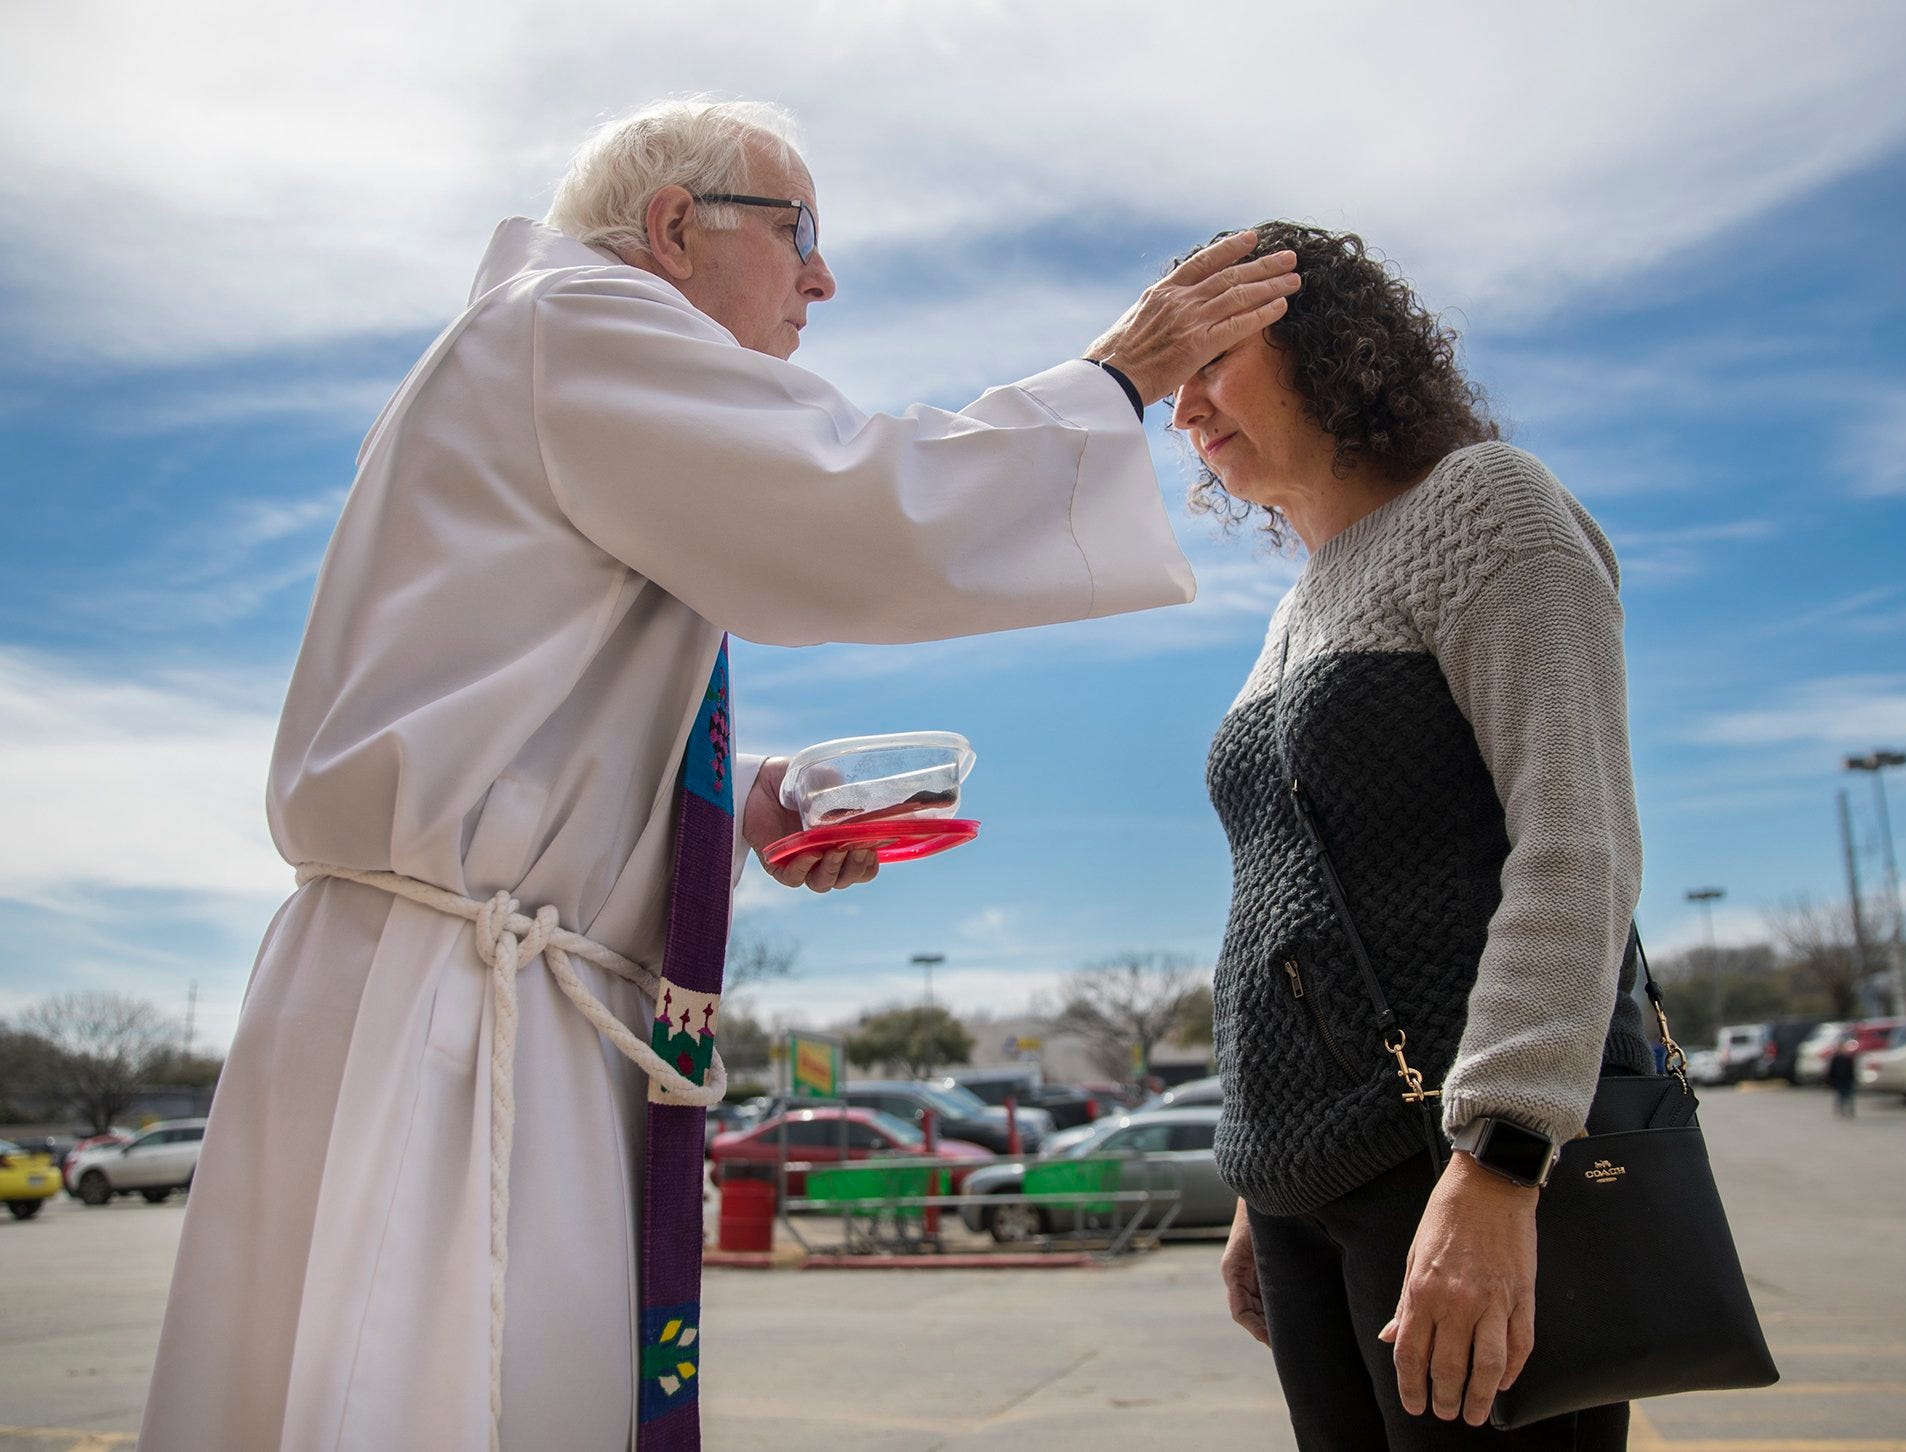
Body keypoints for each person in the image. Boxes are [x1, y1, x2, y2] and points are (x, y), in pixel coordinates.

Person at [138, 99, 1299, 1452]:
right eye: (799, 232)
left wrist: (748, 807)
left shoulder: (545, 354)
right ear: (674, 228)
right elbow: (849, 504)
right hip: (451, 1016)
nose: (824, 277)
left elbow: (514, 709)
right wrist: (1114, 379)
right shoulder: (578, 322)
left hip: (491, 982)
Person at [1180, 224, 1651, 1448]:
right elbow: (1281, 898)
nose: (1179, 407)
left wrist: (1500, 1164)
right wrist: (1254, 1173)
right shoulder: (1298, 604)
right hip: (1298, 1187)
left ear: (1329, 350)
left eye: (1210, 359)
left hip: (1451, 1170)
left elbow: (1576, 842)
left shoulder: (1489, 508)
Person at [1827, 1039, 1859, 1118]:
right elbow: (1832, 1070)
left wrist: (1854, 1078)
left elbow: (1852, 1070)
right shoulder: (1836, 1058)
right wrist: (1831, 1080)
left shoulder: (1848, 1058)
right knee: (1840, 1096)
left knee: (1850, 1096)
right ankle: (1841, 1109)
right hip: (1839, 1080)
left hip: (1848, 1079)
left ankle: (1850, 1111)